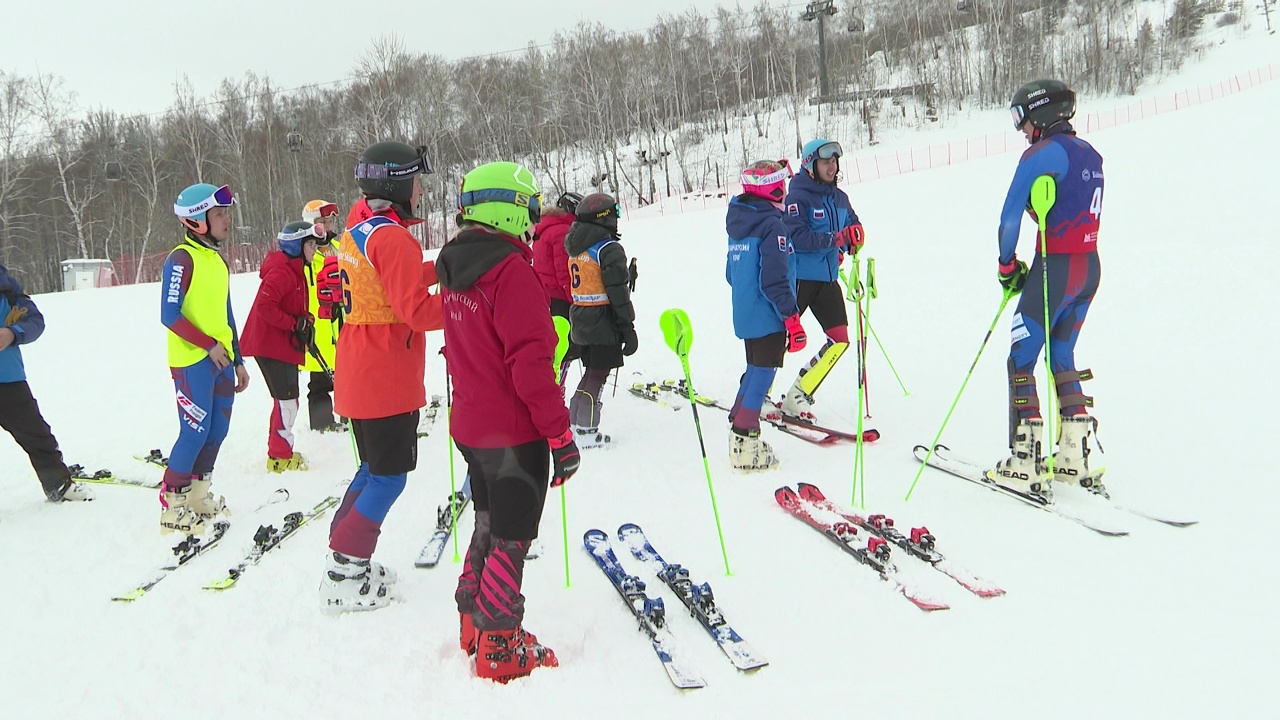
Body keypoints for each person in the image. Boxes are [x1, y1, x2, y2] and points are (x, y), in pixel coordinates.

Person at [439, 160, 577, 683]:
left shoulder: (456, 266)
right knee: (514, 534)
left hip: (473, 426)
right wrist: (561, 437)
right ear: (508, 210)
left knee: (490, 522)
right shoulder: (511, 272)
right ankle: (499, 645)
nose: (534, 217)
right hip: (514, 431)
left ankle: (472, 620)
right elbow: (531, 366)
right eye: (529, 207)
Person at [320, 141, 444, 612]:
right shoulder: (392, 237)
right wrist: (466, 303)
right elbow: (415, 310)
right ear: (396, 184)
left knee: (372, 468)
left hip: (361, 369)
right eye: (416, 181)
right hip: (385, 375)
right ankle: (344, 569)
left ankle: (343, 550)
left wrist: (446, 268)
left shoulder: (361, 229)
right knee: (389, 478)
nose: (421, 190)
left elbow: (395, 280)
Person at [988, 79, 1104, 498]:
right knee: (1062, 354)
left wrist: (1006, 266)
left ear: (1039, 114)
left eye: (1021, 119)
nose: (1021, 130)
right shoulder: (1091, 154)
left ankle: (1025, 460)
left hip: (1053, 268)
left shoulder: (1040, 154)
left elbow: (1009, 219)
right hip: (1088, 267)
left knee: (1021, 360)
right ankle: (1076, 453)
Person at [161, 183, 249, 535]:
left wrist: (238, 359)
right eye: (219, 215)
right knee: (194, 432)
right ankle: (173, 504)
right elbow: (170, 314)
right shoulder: (181, 259)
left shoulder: (217, 259)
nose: (227, 220)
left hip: (222, 361)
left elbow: (226, 314)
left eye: (226, 213)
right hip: (192, 362)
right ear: (197, 221)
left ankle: (198, 495)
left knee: (217, 430)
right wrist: (208, 345)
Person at [777, 138, 865, 420]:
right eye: (826, 161)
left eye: (835, 161)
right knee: (777, 339)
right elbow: (797, 236)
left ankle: (799, 393)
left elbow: (852, 222)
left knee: (839, 340)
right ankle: (755, 394)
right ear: (810, 165)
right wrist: (836, 238)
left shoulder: (839, 198)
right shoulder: (797, 197)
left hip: (827, 278)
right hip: (801, 277)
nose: (832, 166)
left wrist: (854, 237)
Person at [725, 160, 805, 471]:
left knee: (754, 366)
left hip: (746, 312)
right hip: (768, 312)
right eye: (782, 186)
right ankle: (745, 441)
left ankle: (738, 416)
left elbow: (732, 273)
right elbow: (773, 279)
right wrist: (791, 317)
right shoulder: (773, 225)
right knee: (764, 372)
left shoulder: (742, 221)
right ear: (774, 188)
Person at [0, 264, 93, 502]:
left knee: (37, 436)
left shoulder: (6, 284)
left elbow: (35, 320)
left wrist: (13, 333)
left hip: (7, 378)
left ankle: (58, 485)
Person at [240, 221, 321, 473]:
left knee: (286, 400)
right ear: (296, 246)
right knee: (287, 401)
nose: (314, 250)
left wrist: (304, 321)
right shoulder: (283, 272)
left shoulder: (294, 269)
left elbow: (292, 304)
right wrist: (293, 323)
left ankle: (280, 450)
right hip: (269, 345)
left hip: (277, 344)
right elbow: (266, 307)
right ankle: (279, 456)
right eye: (310, 245)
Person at [564, 192, 636, 446]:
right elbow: (617, 292)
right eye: (614, 213)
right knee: (598, 375)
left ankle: (575, 421)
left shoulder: (578, 246)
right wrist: (627, 327)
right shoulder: (608, 247)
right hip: (602, 319)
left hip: (582, 317)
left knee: (590, 372)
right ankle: (587, 430)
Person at [300, 199, 344, 432]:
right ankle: (322, 423)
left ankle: (351, 415)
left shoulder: (339, 245)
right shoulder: (305, 252)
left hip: (341, 321)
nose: (327, 226)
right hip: (318, 325)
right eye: (321, 221)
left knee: (348, 375)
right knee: (320, 380)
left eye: (329, 220)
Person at [531, 191, 582, 383]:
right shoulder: (562, 232)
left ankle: (553, 389)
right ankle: (555, 391)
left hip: (546, 297)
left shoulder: (545, 227)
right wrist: (576, 299)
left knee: (553, 350)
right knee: (563, 351)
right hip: (560, 299)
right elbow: (564, 272)